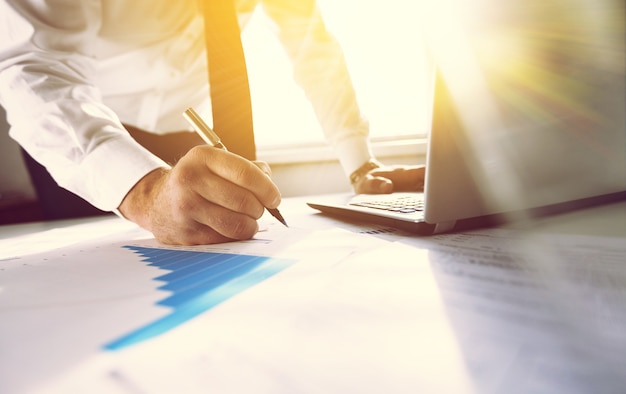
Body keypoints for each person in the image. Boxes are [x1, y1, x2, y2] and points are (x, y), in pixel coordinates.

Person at [0, 0, 425, 245]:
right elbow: (32, 64)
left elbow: (313, 49)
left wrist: (360, 162)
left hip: (189, 134)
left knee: (214, 248)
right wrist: (144, 190)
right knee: (90, 264)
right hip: (83, 135)